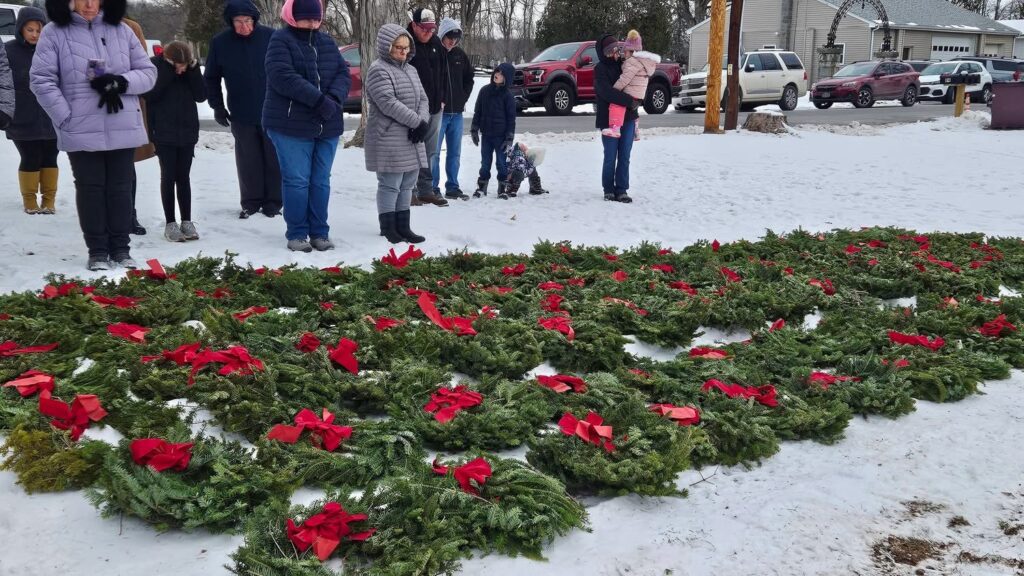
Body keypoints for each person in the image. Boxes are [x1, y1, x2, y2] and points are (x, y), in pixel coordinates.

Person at [31, 0, 157, 270]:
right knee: (91, 189)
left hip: (121, 123)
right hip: (80, 127)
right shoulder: (54, 32)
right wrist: (66, 115)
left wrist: (121, 82)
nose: (89, 4)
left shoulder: (122, 30)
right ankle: (97, 250)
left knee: (120, 188)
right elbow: (41, 79)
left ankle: (121, 248)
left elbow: (148, 73)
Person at [262, 0, 350, 252]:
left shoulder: (327, 42)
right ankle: (297, 232)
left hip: (327, 124)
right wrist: (318, 100)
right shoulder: (281, 40)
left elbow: (342, 74)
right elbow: (282, 76)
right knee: (298, 180)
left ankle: (320, 231)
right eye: (306, 19)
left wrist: (332, 99)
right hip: (291, 125)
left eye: (315, 19)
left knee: (321, 181)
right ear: (292, 17)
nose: (312, 23)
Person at [204, 0, 282, 219]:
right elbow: (211, 77)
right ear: (231, 22)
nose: (243, 26)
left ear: (254, 20)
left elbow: (286, 71)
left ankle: (274, 202)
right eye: (238, 21)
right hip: (240, 111)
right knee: (248, 160)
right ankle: (251, 202)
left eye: (247, 21)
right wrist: (217, 106)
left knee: (273, 158)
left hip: (272, 110)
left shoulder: (271, 37)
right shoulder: (221, 43)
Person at [364, 23, 428, 244]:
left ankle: (404, 226)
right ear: (386, 47)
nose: (403, 52)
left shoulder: (411, 69)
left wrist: (422, 122)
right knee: (391, 183)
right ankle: (388, 227)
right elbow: (387, 102)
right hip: (388, 136)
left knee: (408, 183)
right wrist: (416, 122)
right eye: (398, 47)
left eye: (406, 47)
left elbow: (424, 99)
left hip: (412, 136)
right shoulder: (378, 69)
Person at [146, 41, 206, 243]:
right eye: (177, 65)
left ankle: (187, 220)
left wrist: (193, 71)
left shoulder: (190, 70)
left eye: (184, 65)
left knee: (184, 177)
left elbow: (201, 96)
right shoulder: (154, 66)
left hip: (187, 130)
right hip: (163, 131)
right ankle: (170, 222)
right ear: (168, 60)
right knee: (168, 176)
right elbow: (150, 95)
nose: (181, 69)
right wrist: (169, 73)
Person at [2, 7, 59, 215]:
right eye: (30, 30)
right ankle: (29, 200)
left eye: (39, 30)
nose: (35, 34)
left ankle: (49, 200)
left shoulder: (52, 50)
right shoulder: (8, 51)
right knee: (31, 156)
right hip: (22, 116)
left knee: (51, 157)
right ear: (21, 30)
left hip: (51, 115)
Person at [406, 7, 447, 207]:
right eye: (424, 29)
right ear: (414, 25)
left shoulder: (436, 43)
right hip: (413, 109)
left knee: (430, 151)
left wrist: (442, 97)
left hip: (435, 107)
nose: (428, 33)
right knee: (413, 149)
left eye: (432, 29)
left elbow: (442, 72)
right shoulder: (405, 43)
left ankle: (426, 190)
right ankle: (410, 191)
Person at [433, 17, 474, 200]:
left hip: (456, 113)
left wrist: (462, 97)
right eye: (450, 37)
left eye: (456, 38)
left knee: (455, 153)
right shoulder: (434, 53)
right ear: (443, 35)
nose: (453, 41)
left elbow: (469, 79)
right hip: (438, 113)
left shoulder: (460, 55)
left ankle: (452, 186)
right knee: (433, 152)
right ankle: (432, 187)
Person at [594, 34, 638, 204]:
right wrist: (629, 101)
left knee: (625, 155)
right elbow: (606, 92)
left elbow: (637, 82)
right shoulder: (600, 69)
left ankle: (622, 189)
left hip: (628, 118)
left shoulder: (625, 65)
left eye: (617, 48)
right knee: (610, 155)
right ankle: (608, 189)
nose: (615, 52)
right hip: (609, 120)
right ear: (604, 52)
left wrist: (637, 99)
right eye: (611, 50)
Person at [123, 16, 155, 235]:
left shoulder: (130, 27)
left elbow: (143, 68)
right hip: (91, 108)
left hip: (125, 103)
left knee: (125, 165)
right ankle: (102, 216)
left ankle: (128, 215)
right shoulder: (76, 26)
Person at [470, 63, 515, 199]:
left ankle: (502, 188)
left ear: (506, 78)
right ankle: (482, 186)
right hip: (487, 135)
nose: (497, 75)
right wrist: (474, 129)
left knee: (501, 163)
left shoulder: (508, 96)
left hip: (501, 137)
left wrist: (509, 138)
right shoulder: (484, 91)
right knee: (485, 162)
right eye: (497, 71)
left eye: (501, 74)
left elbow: (511, 119)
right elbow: (478, 111)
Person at [605, 29, 658, 141]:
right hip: (639, 94)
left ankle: (616, 129)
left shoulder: (632, 62)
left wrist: (615, 89)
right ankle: (635, 131)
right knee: (633, 111)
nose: (624, 54)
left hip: (631, 92)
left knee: (616, 105)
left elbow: (625, 79)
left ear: (632, 51)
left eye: (625, 52)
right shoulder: (644, 62)